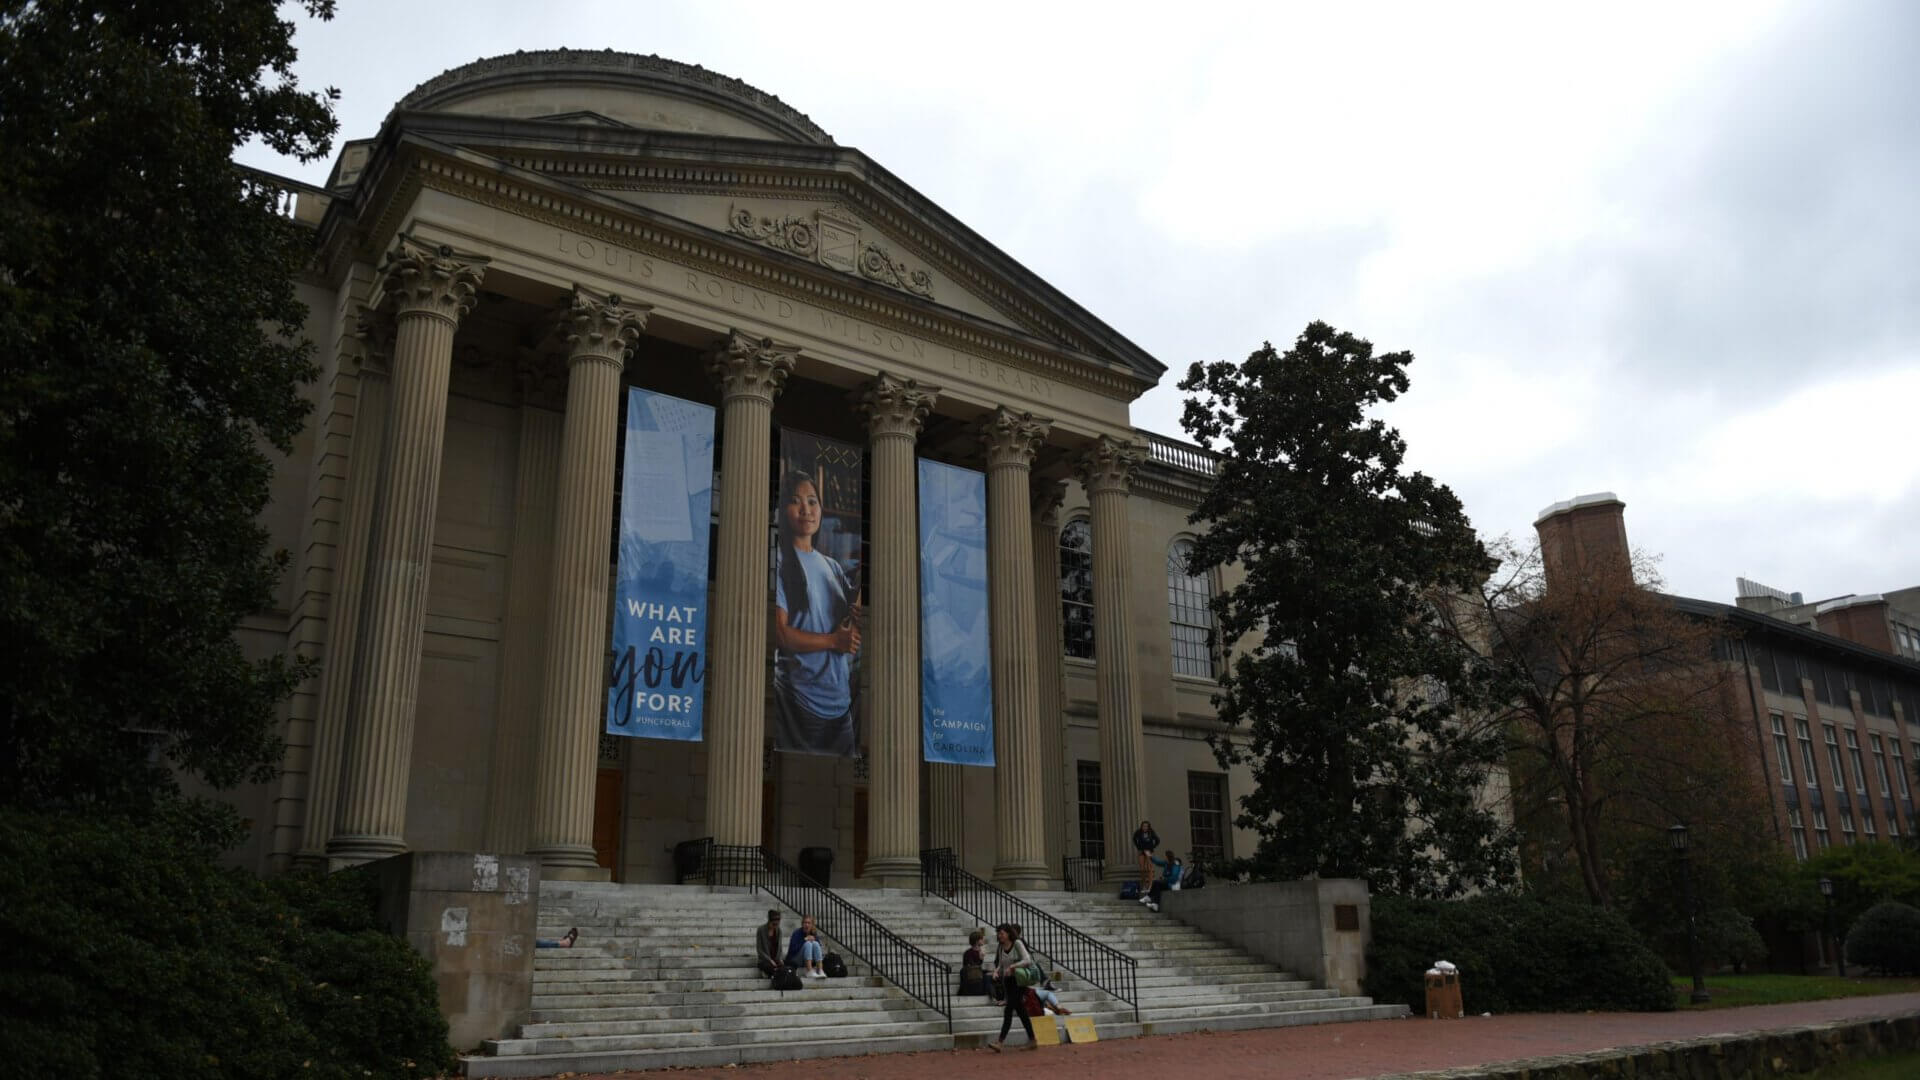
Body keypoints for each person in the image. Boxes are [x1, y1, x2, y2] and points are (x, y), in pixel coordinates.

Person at [772, 471, 861, 756]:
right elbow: (782, 633)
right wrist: (835, 641)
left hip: (841, 705)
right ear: (784, 509)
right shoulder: (782, 563)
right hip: (801, 703)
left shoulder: (832, 566)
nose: (806, 510)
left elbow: (848, 618)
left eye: (812, 502)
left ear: (821, 509)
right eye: (796, 501)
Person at [986, 923, 1038, 1052]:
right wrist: (996, 971)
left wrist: (1013, 967)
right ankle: (1032, 1040)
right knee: (1021, 1011)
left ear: (1009, 933)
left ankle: (1000, 1042)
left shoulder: (1017, 943)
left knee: (1008, 1010)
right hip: (1008, 982)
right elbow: (1001, 964)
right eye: (998, 933)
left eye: (1002, 933)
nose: (1000, 936)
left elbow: (1027, 960)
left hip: (1019, 981)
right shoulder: (1001, 947)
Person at [786, 913, 827, 979]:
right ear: (802, 924)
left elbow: (818, 948)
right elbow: (792, 950)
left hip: (808, 959)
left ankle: (820, 970)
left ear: (812, 925)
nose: (806, 925)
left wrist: (814, 940)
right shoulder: (797, 933)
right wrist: (804, 940)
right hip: (795, 959)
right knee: (808, 943)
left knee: (815, 943)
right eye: (805, 923)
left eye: (809, 923)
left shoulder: (813, 933)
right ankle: (809, 971)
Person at [958, 928, 991, 997]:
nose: (983, 940)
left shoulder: (980, 951)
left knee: (990, 974)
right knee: (986, 976)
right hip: (970, 973)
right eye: (981, 939)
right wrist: (980, 958)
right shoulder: (968, 953)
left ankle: (989, 993)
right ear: (976, 941)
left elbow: (978, 966)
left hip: (977, 972)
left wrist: (981, 958)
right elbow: (972, 966)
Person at [1132, 820, 1160, 892]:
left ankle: (1150, 885)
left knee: (1149, 868)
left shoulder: (1151, 832)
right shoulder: (1138, 832)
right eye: (1143, 826)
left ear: (1148, 827)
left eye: (1146, 826)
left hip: (1148, 851)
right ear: (1141, 826)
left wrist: (1152, 847)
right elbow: (1134, 839)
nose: (1144, 827)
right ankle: (1144, 885)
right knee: (1142, 869)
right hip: (1141, 851)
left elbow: (1157, 840)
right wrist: (1138, 847)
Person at [754, 910, 784, 976]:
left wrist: (780, 959)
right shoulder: (761, 930)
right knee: (770, 967)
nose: (775, 926)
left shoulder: (779, 931)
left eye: (777, 924)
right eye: (773, 924)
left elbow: (780, 948)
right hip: (765, 960)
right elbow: (759, 949)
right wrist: (770, 960)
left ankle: (773, 973)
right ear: (769, 921)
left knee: (787, 967)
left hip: (776, 960)